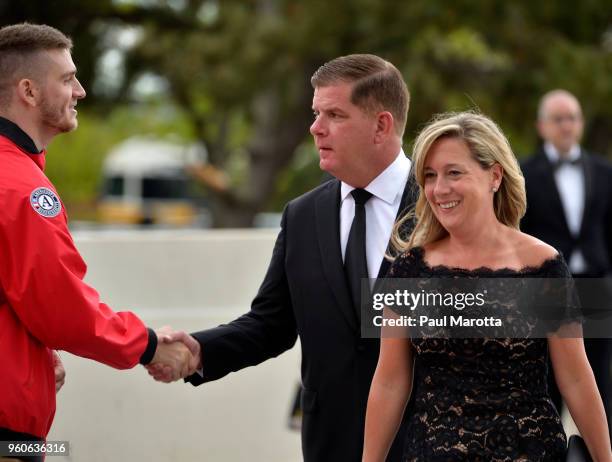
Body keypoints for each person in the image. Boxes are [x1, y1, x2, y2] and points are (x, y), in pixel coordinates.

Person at [147, 54, 416, 461]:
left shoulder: (443, 204)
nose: (315, 127)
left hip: (427, 440)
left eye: (335, 115)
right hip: (331, 443)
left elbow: (500, 316)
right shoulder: (303, 215)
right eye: (316, 113)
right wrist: (198, 351)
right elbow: (272, 324)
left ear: (382, 125)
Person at [362, 112, 611, 461]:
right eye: (430, 176)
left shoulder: (542, 265)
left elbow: (576, 380)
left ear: (494, 176)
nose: (438, 189)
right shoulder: (409, 269)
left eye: (454, 172)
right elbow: (389, 382)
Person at [0, 23, 196, 455]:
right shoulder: (21, 188)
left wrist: (32, 357)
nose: (81, 91)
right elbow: (61, 308)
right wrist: (147, 346)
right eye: (68, 79)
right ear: (29, 92)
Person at [521, 89, 612, 435]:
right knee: (548, 379)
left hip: (594, 285)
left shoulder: (604, 172)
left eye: (572, 117)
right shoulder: (522, 173)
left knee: (600, 377)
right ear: (541, 126)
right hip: (547, 288)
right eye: (558, 119)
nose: (567, 126)